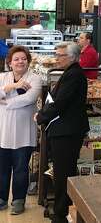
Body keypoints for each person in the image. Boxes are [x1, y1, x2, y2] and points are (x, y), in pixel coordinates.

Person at [35, 42, 88, 223]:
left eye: (60, 55)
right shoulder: (71, 72)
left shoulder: (74, 75)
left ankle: (60, 214)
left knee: (63, 173)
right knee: (64, 170)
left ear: (71, 57)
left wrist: (41, 117)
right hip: (66, 130)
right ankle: (63, 208)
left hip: (68, 132)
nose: (56, 58)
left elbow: (60, 103)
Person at [0, 46, 42, 215]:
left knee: (20, 168)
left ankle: (18, 200)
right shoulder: (3, 77)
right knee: (2, 168)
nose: (20, 62)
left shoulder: (35, 79)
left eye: (23, 58)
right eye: (16, 59)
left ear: (28, 61)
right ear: (10, 63)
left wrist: (6, 102)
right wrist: (13, 86)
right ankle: (2, 198)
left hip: (24, 131)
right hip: (3, 131)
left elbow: (29, 98)